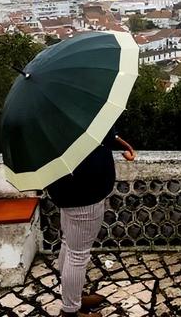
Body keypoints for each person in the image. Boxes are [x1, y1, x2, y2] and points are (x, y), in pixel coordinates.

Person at [46, 127, 136, 317]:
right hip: (84, 189)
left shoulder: (53, 118)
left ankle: (73, 296)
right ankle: (71, 310)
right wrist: (118, 141)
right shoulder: (76, 113)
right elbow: (98, 131)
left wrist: (117, 140)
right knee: (77, 255)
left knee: (68, 244)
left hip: (64, 184)